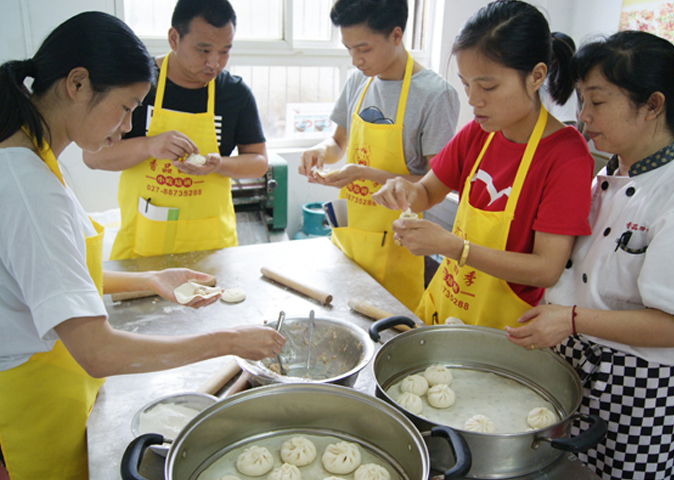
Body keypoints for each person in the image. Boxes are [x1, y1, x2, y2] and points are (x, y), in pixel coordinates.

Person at [0, 12, 284, 479]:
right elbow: (98, 350)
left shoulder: (33, 156)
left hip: (61, 386)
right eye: (127, 106)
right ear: (77, 84)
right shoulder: (29, 188)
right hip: (38, 405)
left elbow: (55, 280)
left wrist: (150, 279)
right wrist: (228, 341)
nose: (129, 123)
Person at [505, 30, 674, 480]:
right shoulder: (609, 171)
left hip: (643, 398)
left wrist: (570, 319)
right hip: (579, 371)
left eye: (597, 102)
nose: (583, 116)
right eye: (581, 100)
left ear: (653, 105)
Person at [372, 0, 594, 328]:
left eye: (488, 86)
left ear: (536, 76)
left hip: (506, 328)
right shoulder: (479, 132)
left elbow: (546, 268)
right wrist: (402, 190)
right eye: (466, 84)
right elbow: (425, 193)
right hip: (447, 305)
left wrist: (456, 248)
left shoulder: (566, 157)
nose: (473, 100)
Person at [298, 0, 460, 310]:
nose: (356, 59)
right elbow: (337, 143)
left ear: (396, 35)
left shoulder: (435, 95)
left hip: (395, 245)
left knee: (387, 334)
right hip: (348, 236)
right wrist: (320, 151)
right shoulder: (359, 81)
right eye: (348, 49)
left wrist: (364, 174)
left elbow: (436, 184)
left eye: (364, 49)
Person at [83, 0, 268, 260]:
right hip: (144, 246)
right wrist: (148, 146)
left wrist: (218, 165)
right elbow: (92, 157)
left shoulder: (234, 93)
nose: (214, 63)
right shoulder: (136, 84)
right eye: (203, 50)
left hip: (212, 247)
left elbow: (259, 162)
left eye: (224, 51)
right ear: (174, 38)